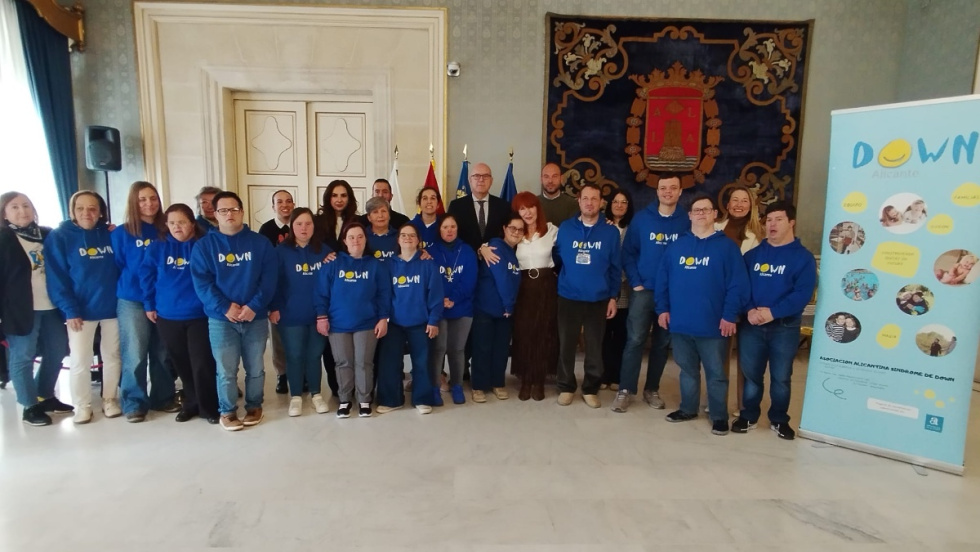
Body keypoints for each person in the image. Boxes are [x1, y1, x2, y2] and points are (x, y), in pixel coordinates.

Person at [656, 194, 749, 436]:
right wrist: (662, 309)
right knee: (687, 370)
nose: (701, 214)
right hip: (680, 323)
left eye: (706, 210)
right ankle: (688, 409)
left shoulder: (727, 247)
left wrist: (730, 316)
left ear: (714, 214)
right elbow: (662, 280)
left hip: (714, 325)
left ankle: (719, 416)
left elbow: (737, 285)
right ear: (689, 215)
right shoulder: (676, 246)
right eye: (697, 210)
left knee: (716, 374)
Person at [190, 191, 277, 431]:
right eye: (223, 211)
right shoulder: (204, 246)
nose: (229, 215)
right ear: (215, 214)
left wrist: (253, 306)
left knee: (256, 367)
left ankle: (254, 406)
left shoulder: (260, 243)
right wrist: (225, 306)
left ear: (242, 211)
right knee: (226, 370)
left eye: (234, 209)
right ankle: (227, 411)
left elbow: (269, 279)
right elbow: (202, 283)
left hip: (255, 317)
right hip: (221, 319)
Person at [732, 200, 816, 441]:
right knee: (752, 376)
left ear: (791, 222)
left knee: (780, 377)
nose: (772, 224)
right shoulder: (752, 255)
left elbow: (801, 295)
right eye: (768, 220)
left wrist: (772, 312)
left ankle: (779, 419)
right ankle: (748, 415)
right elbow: (741, 287)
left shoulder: (803, 258)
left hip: (784, 327)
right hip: (752, 326)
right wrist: (749, 310)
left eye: (778, 219)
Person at [45, 191, 122, 424]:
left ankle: (110, 399)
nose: (87, 213)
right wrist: (70, 309)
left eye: (92, 208)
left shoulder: (111, 235)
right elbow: (57, 277)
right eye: (81, 208)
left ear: (100, 211)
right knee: (80, 359)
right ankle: (82, 405)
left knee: (112, 356)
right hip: (80, 312)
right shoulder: (60, 237)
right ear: (72, 211)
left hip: (113, 308)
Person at [614, 175, 689, 412]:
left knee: (661, 343)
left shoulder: (686, 222)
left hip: (673, 296)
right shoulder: (642, 219)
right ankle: (625, 389)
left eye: (673, 188)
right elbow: (628, 253)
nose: (667, 192)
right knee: (635, 340)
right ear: (656, 192)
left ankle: (651, 389)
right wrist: (635, 282)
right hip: (644, 291)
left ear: (680, 192)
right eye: (663, 188)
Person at [140, 203, 219, 424]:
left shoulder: (204, 246)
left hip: (199, 315)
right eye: (172, 223)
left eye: (182, 222)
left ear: (192, 223)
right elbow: (146, 276)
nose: (177, 227)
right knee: (181, 363)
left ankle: (208, 407)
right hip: (168, 315)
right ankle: (191, 403)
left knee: (202, 362)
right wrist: (149, 304)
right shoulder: (157, 248)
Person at [0, 192, 72, 426]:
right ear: (4, 213)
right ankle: (29, 405)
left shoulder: (47, 234)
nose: (22, 211)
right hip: (20, 309)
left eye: (26, 205)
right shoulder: (4, 238)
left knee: (58, 349)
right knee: (23, 356)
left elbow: (70, 235)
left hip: (50, 305)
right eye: (15, 207)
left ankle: (45, 394)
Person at [553, 183, 622, 408]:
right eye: (585, 198)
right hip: (568, 295)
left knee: (594, 346)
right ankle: (565, 386)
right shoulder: (565, 228)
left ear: (601, 202)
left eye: (594, 198)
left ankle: (591, 387)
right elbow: (558, 257)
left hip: (598, 298)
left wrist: (613, 296)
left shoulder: (610, 232)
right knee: (566, 344)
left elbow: (615, 267)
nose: (590, 203)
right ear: (579, 201)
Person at [113, 181, 177, 423]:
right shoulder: (122, 233)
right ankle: (134, 403)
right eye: (142, 199)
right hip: (133, 300)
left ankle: (163, 397)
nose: (149, 203)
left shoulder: (167, 230)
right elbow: (119, 264)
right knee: (135, 353)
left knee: (161, 352)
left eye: (153, 198)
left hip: (163, 300)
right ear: (134, 202)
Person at [316, 221, 390, 418]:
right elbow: (322, 294)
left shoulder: (376, 265)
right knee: (342, 362)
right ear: (344, 241)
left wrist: (383, 318)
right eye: (351, 237)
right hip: (338, 324)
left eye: (360, 236)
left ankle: (364, 399)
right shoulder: (332, 263)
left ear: (366, 239)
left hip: (367, 323)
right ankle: (345, 400)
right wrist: (321, 317)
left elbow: (384, 294)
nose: (356, 240)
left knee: (364, 362)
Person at [376, 223, 443, 415]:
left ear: (418, 240)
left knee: (422, 362)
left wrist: (433, 320)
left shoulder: (428, 264)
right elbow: (383, 294)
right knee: (389, 362)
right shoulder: (387, 265)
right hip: (394, 323)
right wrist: (383, 318)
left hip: (421, 323)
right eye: (403, 235)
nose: (407, 238)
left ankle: (422, 398)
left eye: (412, 235)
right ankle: (391, 400)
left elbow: (436, 295)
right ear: (397, 240)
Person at [270, 208, 331, 418]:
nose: (303, 228)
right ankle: (296, 396)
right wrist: (274, 307)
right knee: (294, 356)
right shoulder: (280, 252)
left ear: (314, 226)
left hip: (318, 315)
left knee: (314, 356)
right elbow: (274, 283)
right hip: (290, 315)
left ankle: (316, 394)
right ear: (291, 227)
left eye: (308, 224)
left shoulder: (325, 252)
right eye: (299, 224)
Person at [506, 192, 559, 401]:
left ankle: (539, 381)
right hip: (523, 286)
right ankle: (526, 379)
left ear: (538, 208)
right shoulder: (515, 235)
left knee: (544, 332)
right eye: (521, 209)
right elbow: (496, 246)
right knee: (524, 332)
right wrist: (483, 248)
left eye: (530, 207)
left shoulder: (552, 231)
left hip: (546, 286)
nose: (527, 212)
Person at [714, 185, 761, 413]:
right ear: (728, 203)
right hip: (721, 302)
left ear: (751, 205)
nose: (739, 204)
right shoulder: (715, 228)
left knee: (747, 359)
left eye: (744, 200)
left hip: (750, 302)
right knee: (720, 357)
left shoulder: (759, 235)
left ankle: (744, 407)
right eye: (735, 199)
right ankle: (718, 402)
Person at [470, 213, 523, 403]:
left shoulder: (515, 251)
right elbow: (502, 279)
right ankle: (478, 386)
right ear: (504, 229)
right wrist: (509, 304)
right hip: (487, 307)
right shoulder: (495, 247)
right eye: (512, 228)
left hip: (504, 312)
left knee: (501, 348)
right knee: (482, 348)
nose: (516, 232)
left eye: (520, 230)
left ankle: (498, 383)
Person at [428, 214, 477, 405]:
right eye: (445, 227)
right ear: (439, 230)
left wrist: (453, 299)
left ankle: (456, 385)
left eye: (453, 226)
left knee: (457, 349)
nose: (449, 230)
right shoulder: (431, 252)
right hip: (438, 309)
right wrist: (441, 300)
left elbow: (470, 280)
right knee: (438, 349)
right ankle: (434, 387)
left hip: (462, 308)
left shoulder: (467, 251)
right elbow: (430, 280)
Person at [314, 179, 357, 395]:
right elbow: (312, 248)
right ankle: (337, 387)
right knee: (331, 345)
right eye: (334, 195)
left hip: (353, 286)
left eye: (343, 195)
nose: (339, 199)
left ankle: (358, 387)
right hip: (329, 285)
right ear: (328, 198)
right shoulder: (317, 221)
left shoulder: (358, 221)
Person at [258, 190, 294, 395]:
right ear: (273, 206)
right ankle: (283, 374)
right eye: (279, 202)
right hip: (275, 289)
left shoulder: (300, 226)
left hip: (298, 289)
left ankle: (302, 373)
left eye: (288, 201)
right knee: (278, 336)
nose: (285, 205)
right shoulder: (266, 230)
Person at [600, 189, 633, 392]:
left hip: (626, 289)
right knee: (603, 335)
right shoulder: (602, 227)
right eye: (616, 201)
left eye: (624, 202)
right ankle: (603, 375)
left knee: (621, 334)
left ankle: (617, 376)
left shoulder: (633, 228)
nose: (619, 205)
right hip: (605, 288)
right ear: (609, 204)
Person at [448, 162, 511, 254]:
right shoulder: (456, 206)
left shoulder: (503, 206)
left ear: (491, 180)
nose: (481, 179)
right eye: (476, 176)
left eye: (485, 176)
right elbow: (452, 236)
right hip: (466, 260)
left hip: (495, 260)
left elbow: (506, 236)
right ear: (470, 180)